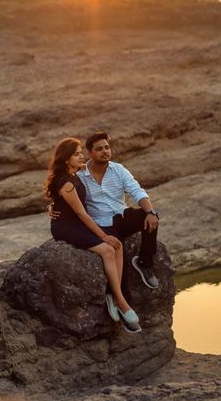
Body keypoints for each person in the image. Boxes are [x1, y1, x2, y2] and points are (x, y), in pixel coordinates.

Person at [43, 138, 141, 333]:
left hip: (77, 223)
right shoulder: (67, 182)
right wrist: (103, 236)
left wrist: (52, 204)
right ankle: (121, 301)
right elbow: (81, 213)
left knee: (117, 246)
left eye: (81, 153)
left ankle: (114, 295)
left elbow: (60, 199)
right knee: (107, 249)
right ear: (66, 159)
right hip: (67, 227)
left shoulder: (75, 173)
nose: (82, 156)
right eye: (77, 154)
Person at [76, 131, 160, 292]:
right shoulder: (80, 176)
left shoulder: (118, 170)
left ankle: (144, 264)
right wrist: (52, 207)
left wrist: (150, 211)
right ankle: (118, 299)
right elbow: (68, 196)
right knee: (116, 257)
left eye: (107, 147)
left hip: (122, 215)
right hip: (102, 223)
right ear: (90, 153)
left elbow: (137, 191)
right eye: (99, 149)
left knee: (150, 217)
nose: (105, 151)